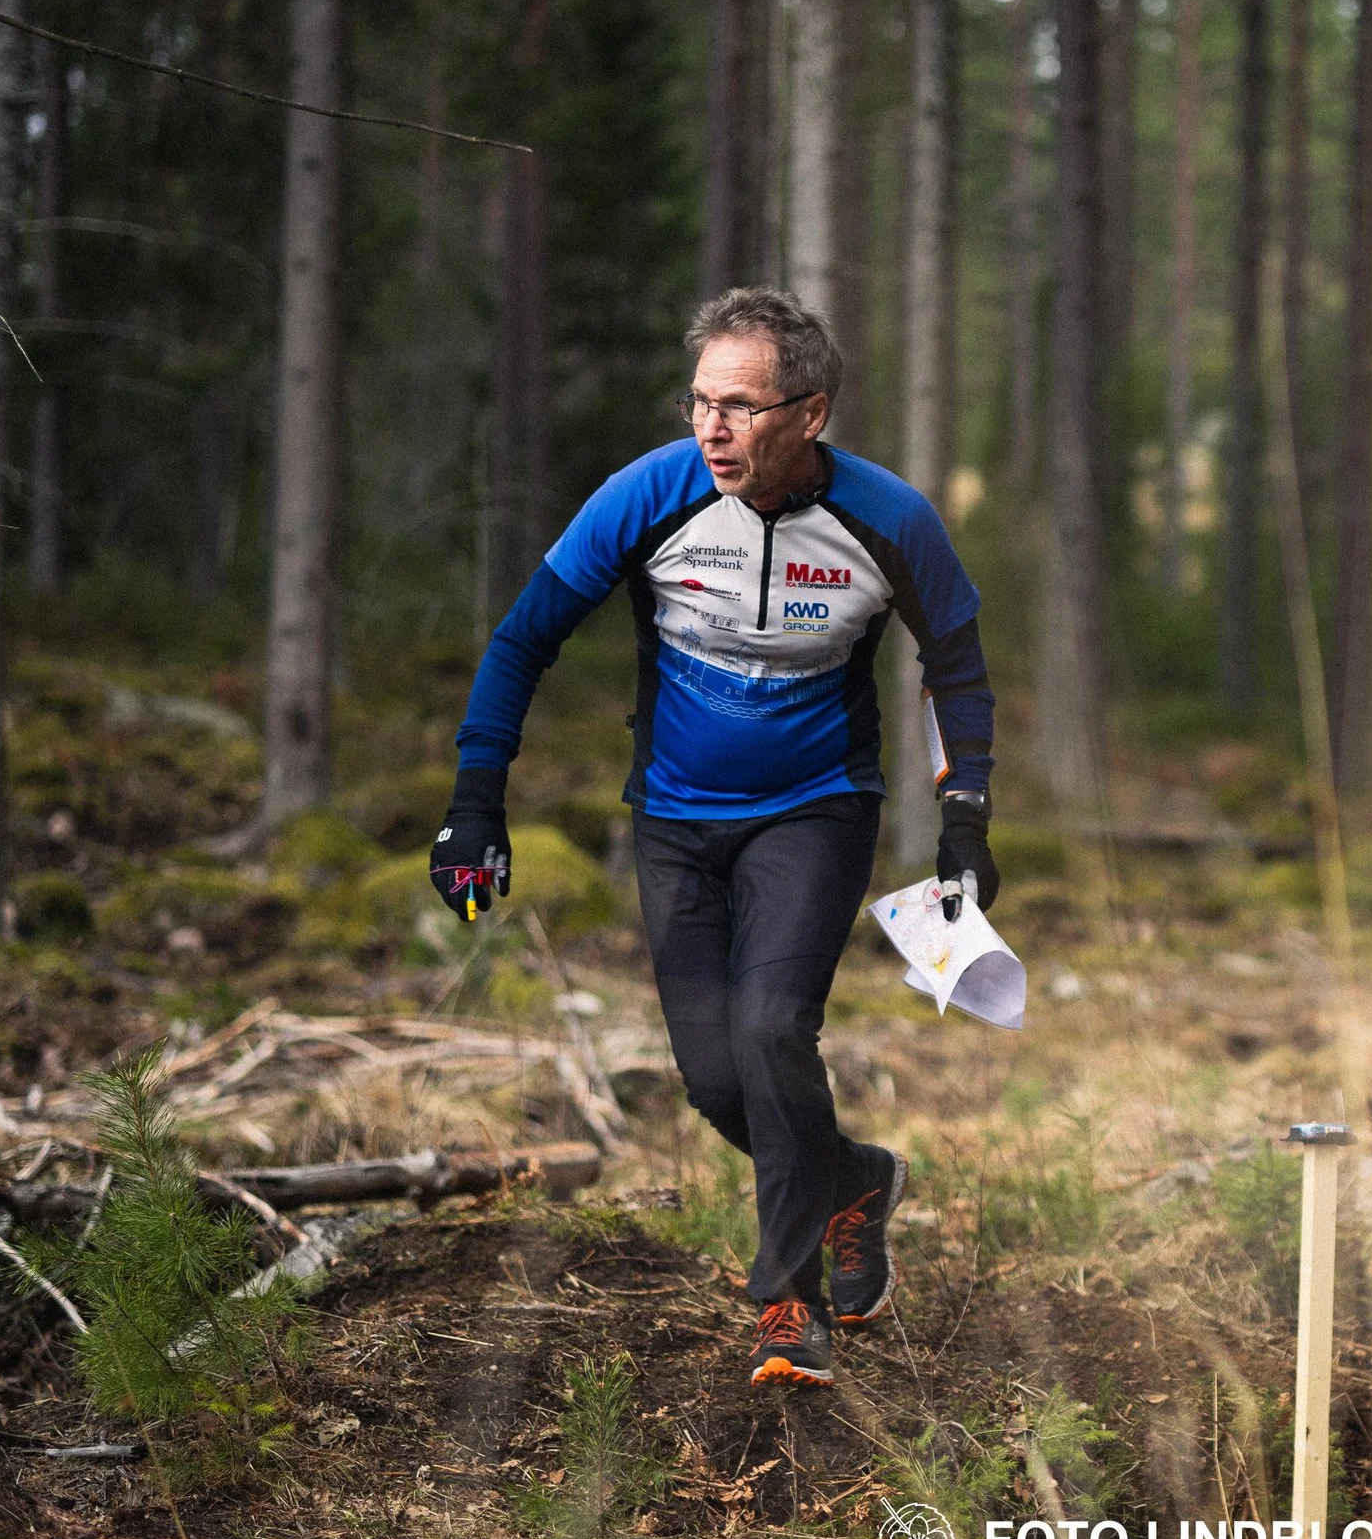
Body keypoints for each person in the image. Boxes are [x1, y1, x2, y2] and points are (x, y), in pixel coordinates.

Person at [428, 288, 999, 1390]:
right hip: (676, 821)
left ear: (810, 412)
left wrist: (964, 814)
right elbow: (521, 640)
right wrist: (474, 798)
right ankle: (855, 1179)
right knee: (712, 1076)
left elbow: (957, 669)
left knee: (774, 1029)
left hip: (815, 808)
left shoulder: (891, 518)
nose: (711, 429)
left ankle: (784, 1303)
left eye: (739, 406)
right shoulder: (647, 495)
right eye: (699, 402)